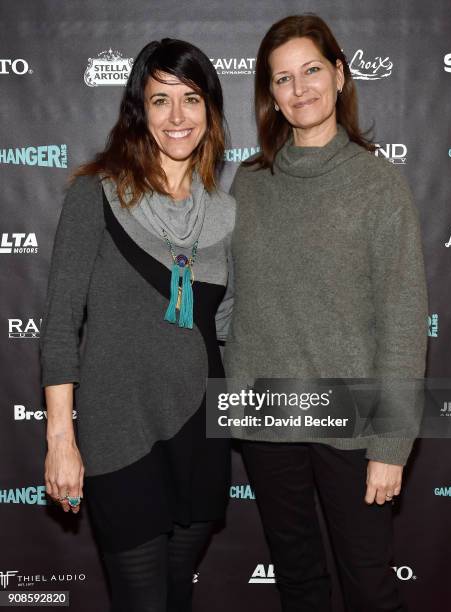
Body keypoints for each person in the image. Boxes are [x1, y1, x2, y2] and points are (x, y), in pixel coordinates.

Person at [224, 14, 428, 612]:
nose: (300, 88)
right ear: (271, 95)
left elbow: (403, 321)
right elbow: (234, 295)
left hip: (353, 416)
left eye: (311, 70)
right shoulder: (250, 182)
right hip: (266, 408)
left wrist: (391, 446)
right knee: (298, 581)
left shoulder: (378, 185)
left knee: (369, 586)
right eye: (283, 79)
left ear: (339, 74)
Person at [40, 38, 235, 612]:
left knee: (176, 597)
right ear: (138, 110)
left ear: (210, 110)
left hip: (203, 431)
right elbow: (59, 327)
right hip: (118, 433)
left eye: (191, 99)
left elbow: (229, 326)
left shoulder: (227, 212)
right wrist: (60, 441)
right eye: (160, 100)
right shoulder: (93, 195)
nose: (178, 117)